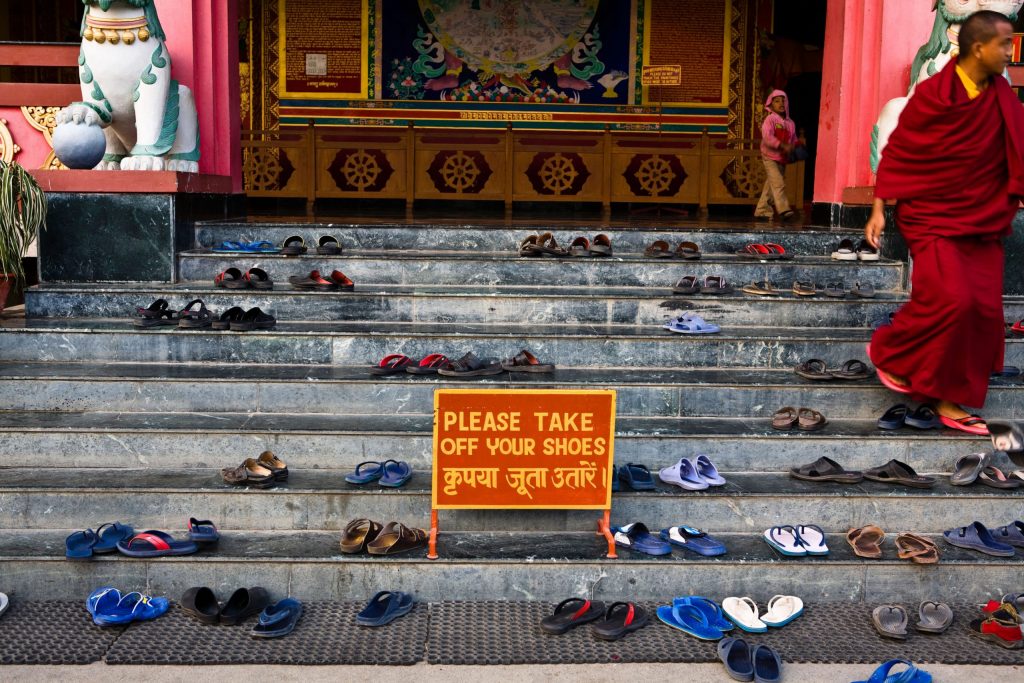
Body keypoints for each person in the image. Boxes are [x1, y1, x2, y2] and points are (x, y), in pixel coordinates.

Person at [863, 10, 1024, 435]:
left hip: (983, 218)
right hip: (932, 215)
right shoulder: (936, 94)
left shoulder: (1004, 96)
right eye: (1003, 43)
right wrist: (879, 208)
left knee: (985, 309)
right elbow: (899, 151)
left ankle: (948, 396)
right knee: (953, 300)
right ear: (978, 48)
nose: (1010, 50)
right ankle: (892, 353)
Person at [755, 89, 798, 221]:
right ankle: (784, 209)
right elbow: (767, 137)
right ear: (771, 104)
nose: (780, 103)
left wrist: (795, 149)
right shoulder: (770, 119)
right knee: (778, 183)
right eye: (776, 101)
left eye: (783, 101)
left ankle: (762, 210)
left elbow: (793, 140)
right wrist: (782, 145)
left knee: (771, 184)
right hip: (769, 156)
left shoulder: (790, 123)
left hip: (781, 158)